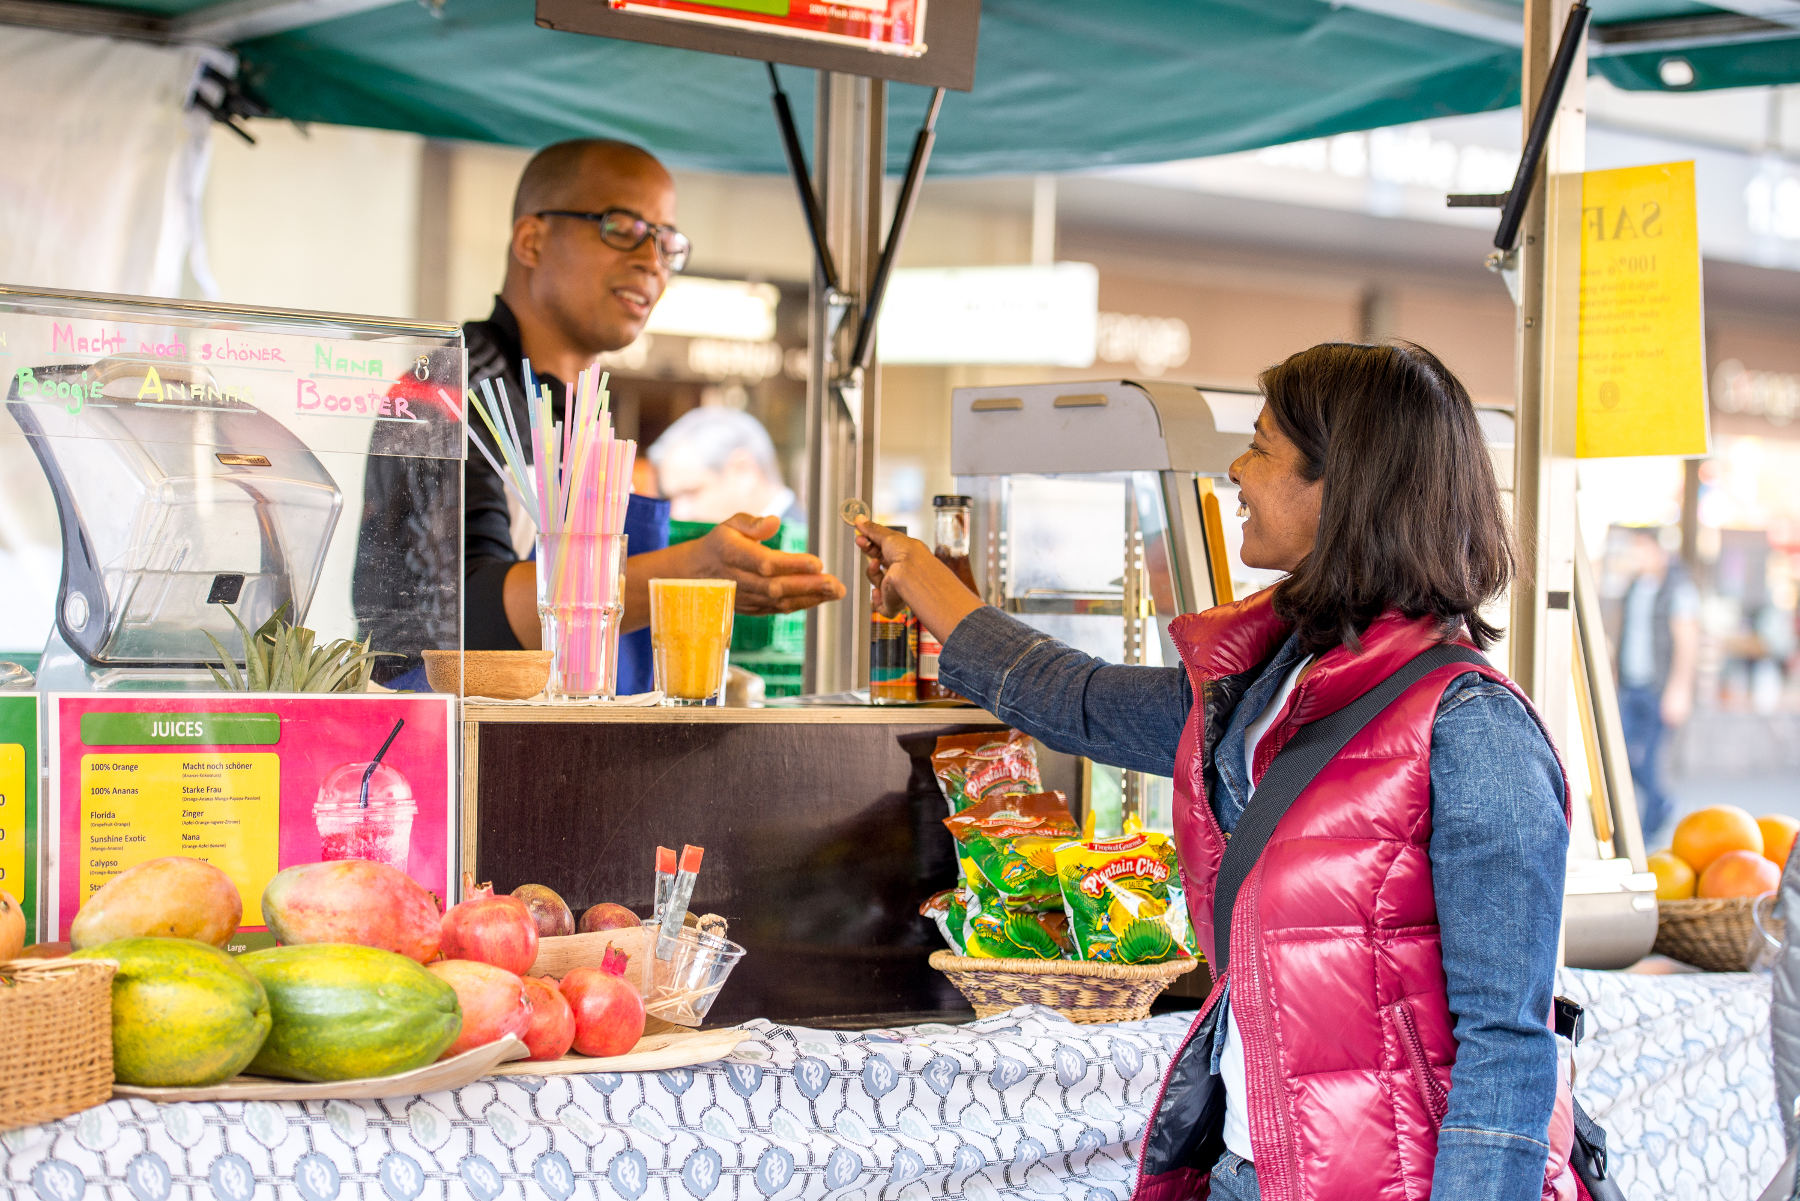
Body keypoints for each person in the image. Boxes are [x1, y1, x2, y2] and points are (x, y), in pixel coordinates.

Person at [857, 342, 1576, 1200]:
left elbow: (1507, 1041)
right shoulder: (1267, 692)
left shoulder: (1473, 728)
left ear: (1345, 488)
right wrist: (923, 577)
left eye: (1263, 446)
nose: (1236, 468)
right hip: (1245, 1172)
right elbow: (1077, 699)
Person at [354, 139, 843, 689]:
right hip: (467, 755)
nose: (650, 260)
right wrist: (687, 572)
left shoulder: (584, 413)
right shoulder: (452, 392)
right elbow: (463, 627)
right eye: (622, 227)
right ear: (532, 240)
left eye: (665, 241)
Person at [1612, 526, 1699, 840]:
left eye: (1643, 549)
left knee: (1649, 759)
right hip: (1630, 686)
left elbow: (1687, 642)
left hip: (1659, 688)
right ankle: (1661, 805)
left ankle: (1646, 835)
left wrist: (1680, 690)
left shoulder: (1678, 588)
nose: (1637, 556)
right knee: (1618, 754)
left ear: (1660, 551)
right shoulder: (1635, 587)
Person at [648, 405, 806, 528]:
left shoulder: (809, 547)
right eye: (670, 499)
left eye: (691, 493)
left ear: (743, 470)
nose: (678, 514)